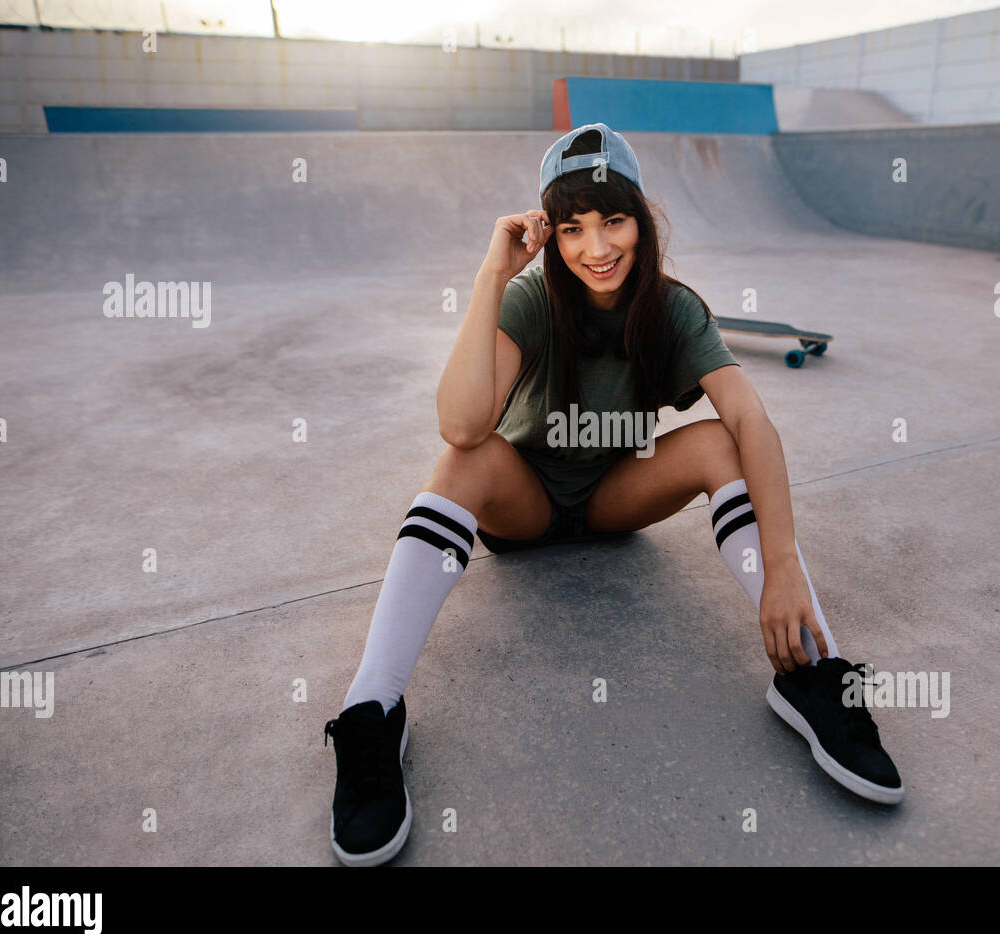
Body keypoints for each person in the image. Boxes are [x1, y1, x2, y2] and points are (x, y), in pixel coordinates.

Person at [322, 123, 903, 866]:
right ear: (551, 236)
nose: (596, 247)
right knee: (462, 459)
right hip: (524, 506)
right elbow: (461, 422)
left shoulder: (671, 309)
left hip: (610, 501)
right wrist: (489, 278)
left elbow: (752, 418)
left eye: (613, 220)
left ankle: (814, 674)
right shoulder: (532, 299)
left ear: (642, 220)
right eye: (572, 228)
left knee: (719, 441)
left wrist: (783, 562)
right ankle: (372, 709)